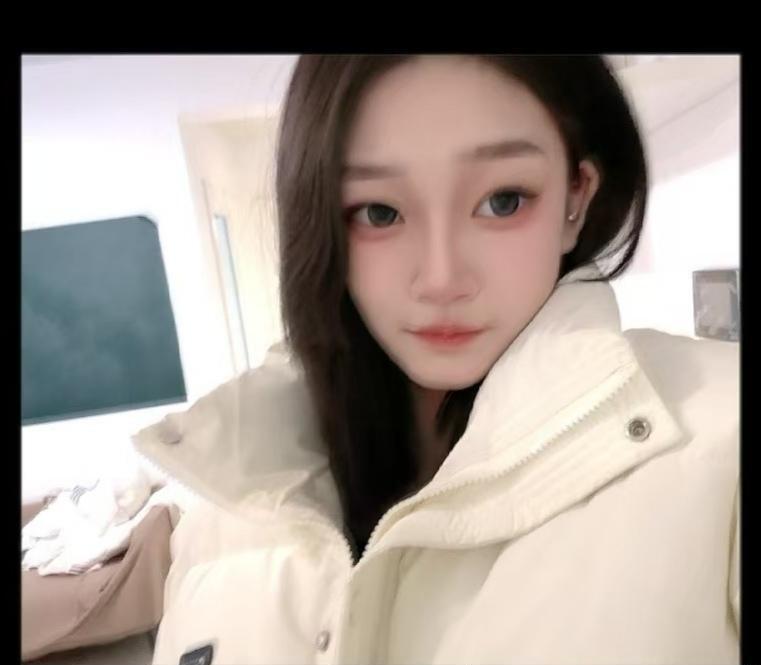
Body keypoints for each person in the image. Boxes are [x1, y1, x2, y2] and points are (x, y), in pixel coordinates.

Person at [133, 55, 739, 665]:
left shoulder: (723, 444)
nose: (442, 278)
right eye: (380, 212)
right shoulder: (227, 508)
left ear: (575, 199)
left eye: (504, 201)